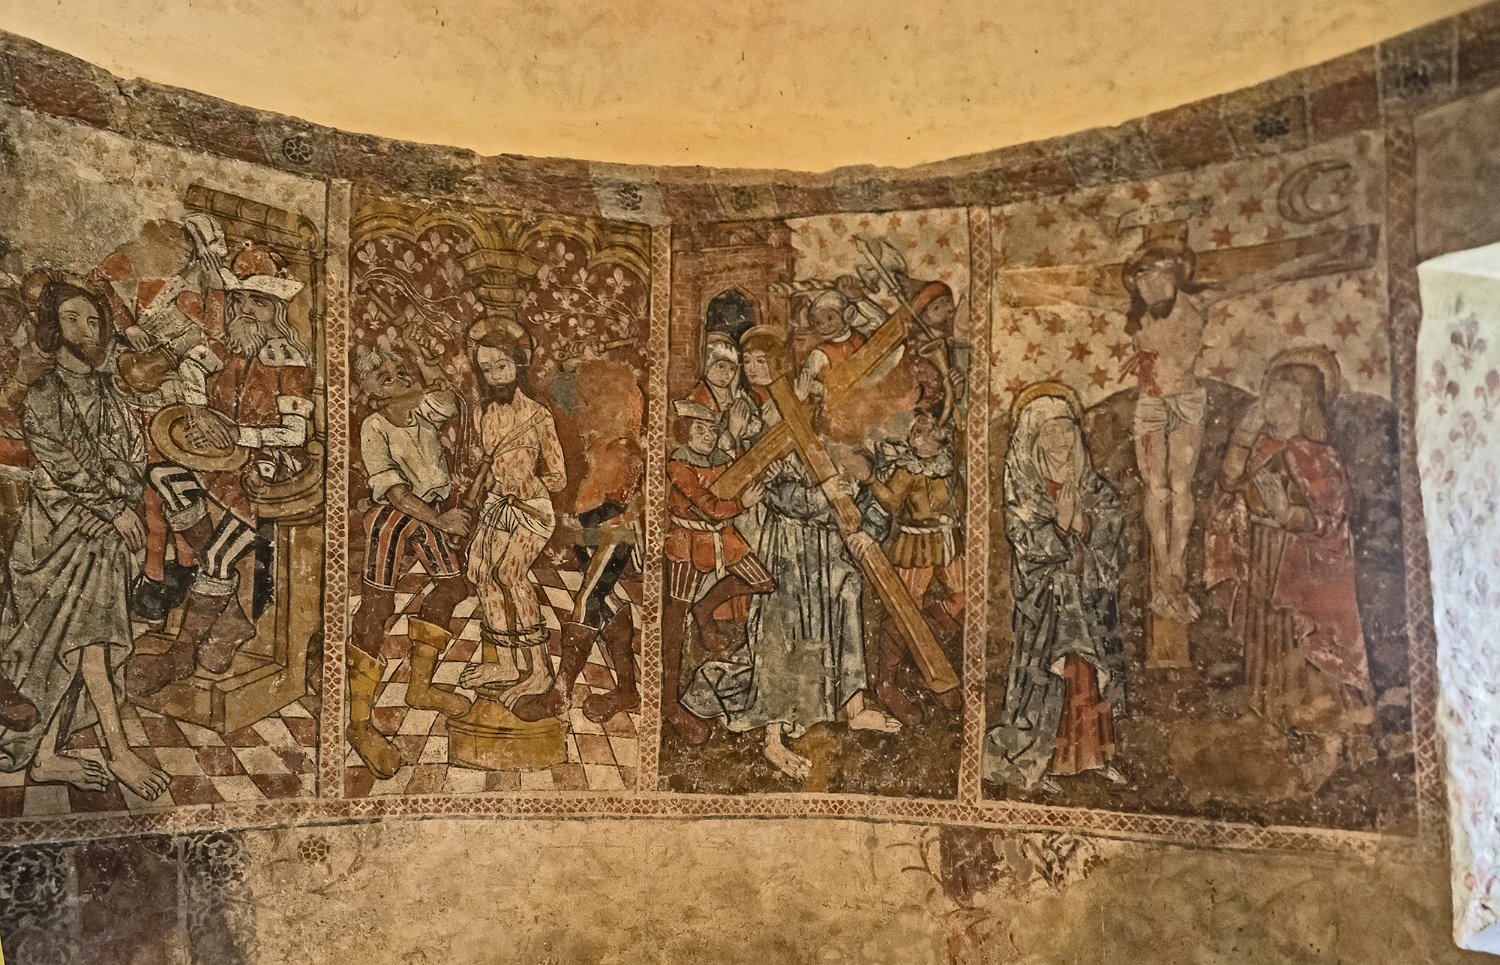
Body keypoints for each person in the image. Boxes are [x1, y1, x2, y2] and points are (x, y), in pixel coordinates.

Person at [0, 281, 169, 800]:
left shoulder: (112, 396)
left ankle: (48, 756)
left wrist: (115, 508)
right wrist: (109, 510)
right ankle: (118, 754)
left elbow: (133, 461)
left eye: (94, 321)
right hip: (50, 538)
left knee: (82, 644)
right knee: (69, 645)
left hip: (101, 536)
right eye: (73, 319)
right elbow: (58, 468)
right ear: (53, 327)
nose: (86, 330)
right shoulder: (44, 394)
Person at [138, 243, 313, 690]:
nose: (246, 309)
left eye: (258, 301)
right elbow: (191, 369)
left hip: (266, 471)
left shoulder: (288, 359)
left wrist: (239, 436)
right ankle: (233, 618)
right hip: (217, 461)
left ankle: (181, 652)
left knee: (217, 557)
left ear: (275, 309)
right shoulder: (228, 344)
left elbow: (294, 433)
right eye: (241, 299)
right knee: (162, 475)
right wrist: (198, 412)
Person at [681, 446, 900, 782]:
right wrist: (823, 492)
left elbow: (871, 499)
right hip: (790, 548)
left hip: (832, 550)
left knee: (846, 613)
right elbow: (777, 495)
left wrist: (868, 533)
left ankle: (854, 707)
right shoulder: (784, 441)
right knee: (783, 635)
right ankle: (773, 737)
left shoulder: (846, 444)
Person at [1203, 348, 1376, 755]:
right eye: (1270, 393)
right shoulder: (1261, 446)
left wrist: (1286, 514)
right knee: (1265, 636)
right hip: (1261, 556)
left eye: (1286, 396)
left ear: (1307, 405)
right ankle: (1270, 721)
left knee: (1300, 640)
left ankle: (1321, 732)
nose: (1273, 403)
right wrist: (1244, 434)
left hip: (1301, 567)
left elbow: (1329, 520)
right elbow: (1228, 484)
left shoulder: (1318, 456)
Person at [983, 383, 1126, 793]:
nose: (1061, 438)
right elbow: (1023, 540)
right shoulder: (1026, 490)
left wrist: (1082, 523)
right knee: (1055, 677)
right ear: (1035, 439)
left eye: (1067, 428)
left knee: (1088, 675)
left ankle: (1094, 757)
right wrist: (1060, 528)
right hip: (1047, 606)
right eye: (1051, 431)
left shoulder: (1091, 486)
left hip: (1089, 600)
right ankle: (1043, 760)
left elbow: (1111, 527)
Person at [347, 348, 473, 778]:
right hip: (394, 518)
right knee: (376, 608)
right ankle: (359, 724)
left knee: (452, 587)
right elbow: (397, 494)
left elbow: (449, 402)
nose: (399, 380)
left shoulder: (423, 414)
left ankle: (419, 688)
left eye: (401, 372)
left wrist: (433, 372)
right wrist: (443, 521)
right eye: (385, 378)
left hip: (427, 514)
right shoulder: (374, 426)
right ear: (371, 394)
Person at [455, 323, 567, 710]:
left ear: (517, 365)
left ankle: (540, 670)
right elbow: (490, 467)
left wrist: (528, 482)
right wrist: (483, 482)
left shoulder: (538, 416)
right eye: (486, 369)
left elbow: (558, 476)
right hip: (498, 505)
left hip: (531, 509)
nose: (494, 376)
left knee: (510, 574)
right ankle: (505, 664)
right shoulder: (484, 414)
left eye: (500, 366)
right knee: (480, 572)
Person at [661, 399, 772, 744]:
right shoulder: (678, 465)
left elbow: (742, 475)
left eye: (712, 430)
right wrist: (741, 504)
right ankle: (669, 703)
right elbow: (708, 505)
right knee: (674, 619)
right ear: (685, 432)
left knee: (762, 580)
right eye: (700, 429)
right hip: (688, 541)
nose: (708, 436)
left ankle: (704, 608)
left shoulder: (719, 458)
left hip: (722, 538)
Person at [861, 409, 966, 725]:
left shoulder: (947, 463)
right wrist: (869, 479)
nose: (925, 433)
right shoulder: (907, 469)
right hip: (914, 543)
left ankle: (928, 662)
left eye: (930, 427)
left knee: (962, 599)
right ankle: (887, 684)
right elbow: (891, 502)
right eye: (919, 429)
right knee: (904, 611)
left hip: (947, 541)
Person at [687, 332, 761, 457]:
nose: (727, 375)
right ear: (708, 365)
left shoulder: (738, 396)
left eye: (732, 369)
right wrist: (732, 432)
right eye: (721, 366)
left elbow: (754, 428)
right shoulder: (697, 398)